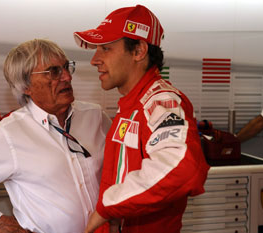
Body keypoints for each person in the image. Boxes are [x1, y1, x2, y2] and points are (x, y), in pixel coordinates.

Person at [0, 38, 112, 233]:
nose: (66, 77)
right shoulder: (10, 134)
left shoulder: (95, 117)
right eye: (53, 71)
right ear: (26, 85)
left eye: (66, 67)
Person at [73, 5, 210, 233]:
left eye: (105, 48)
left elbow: (180, 167)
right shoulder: (133, 103)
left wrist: (108, 208)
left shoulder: (161, 101)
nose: (95, 60)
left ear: (138, 51)